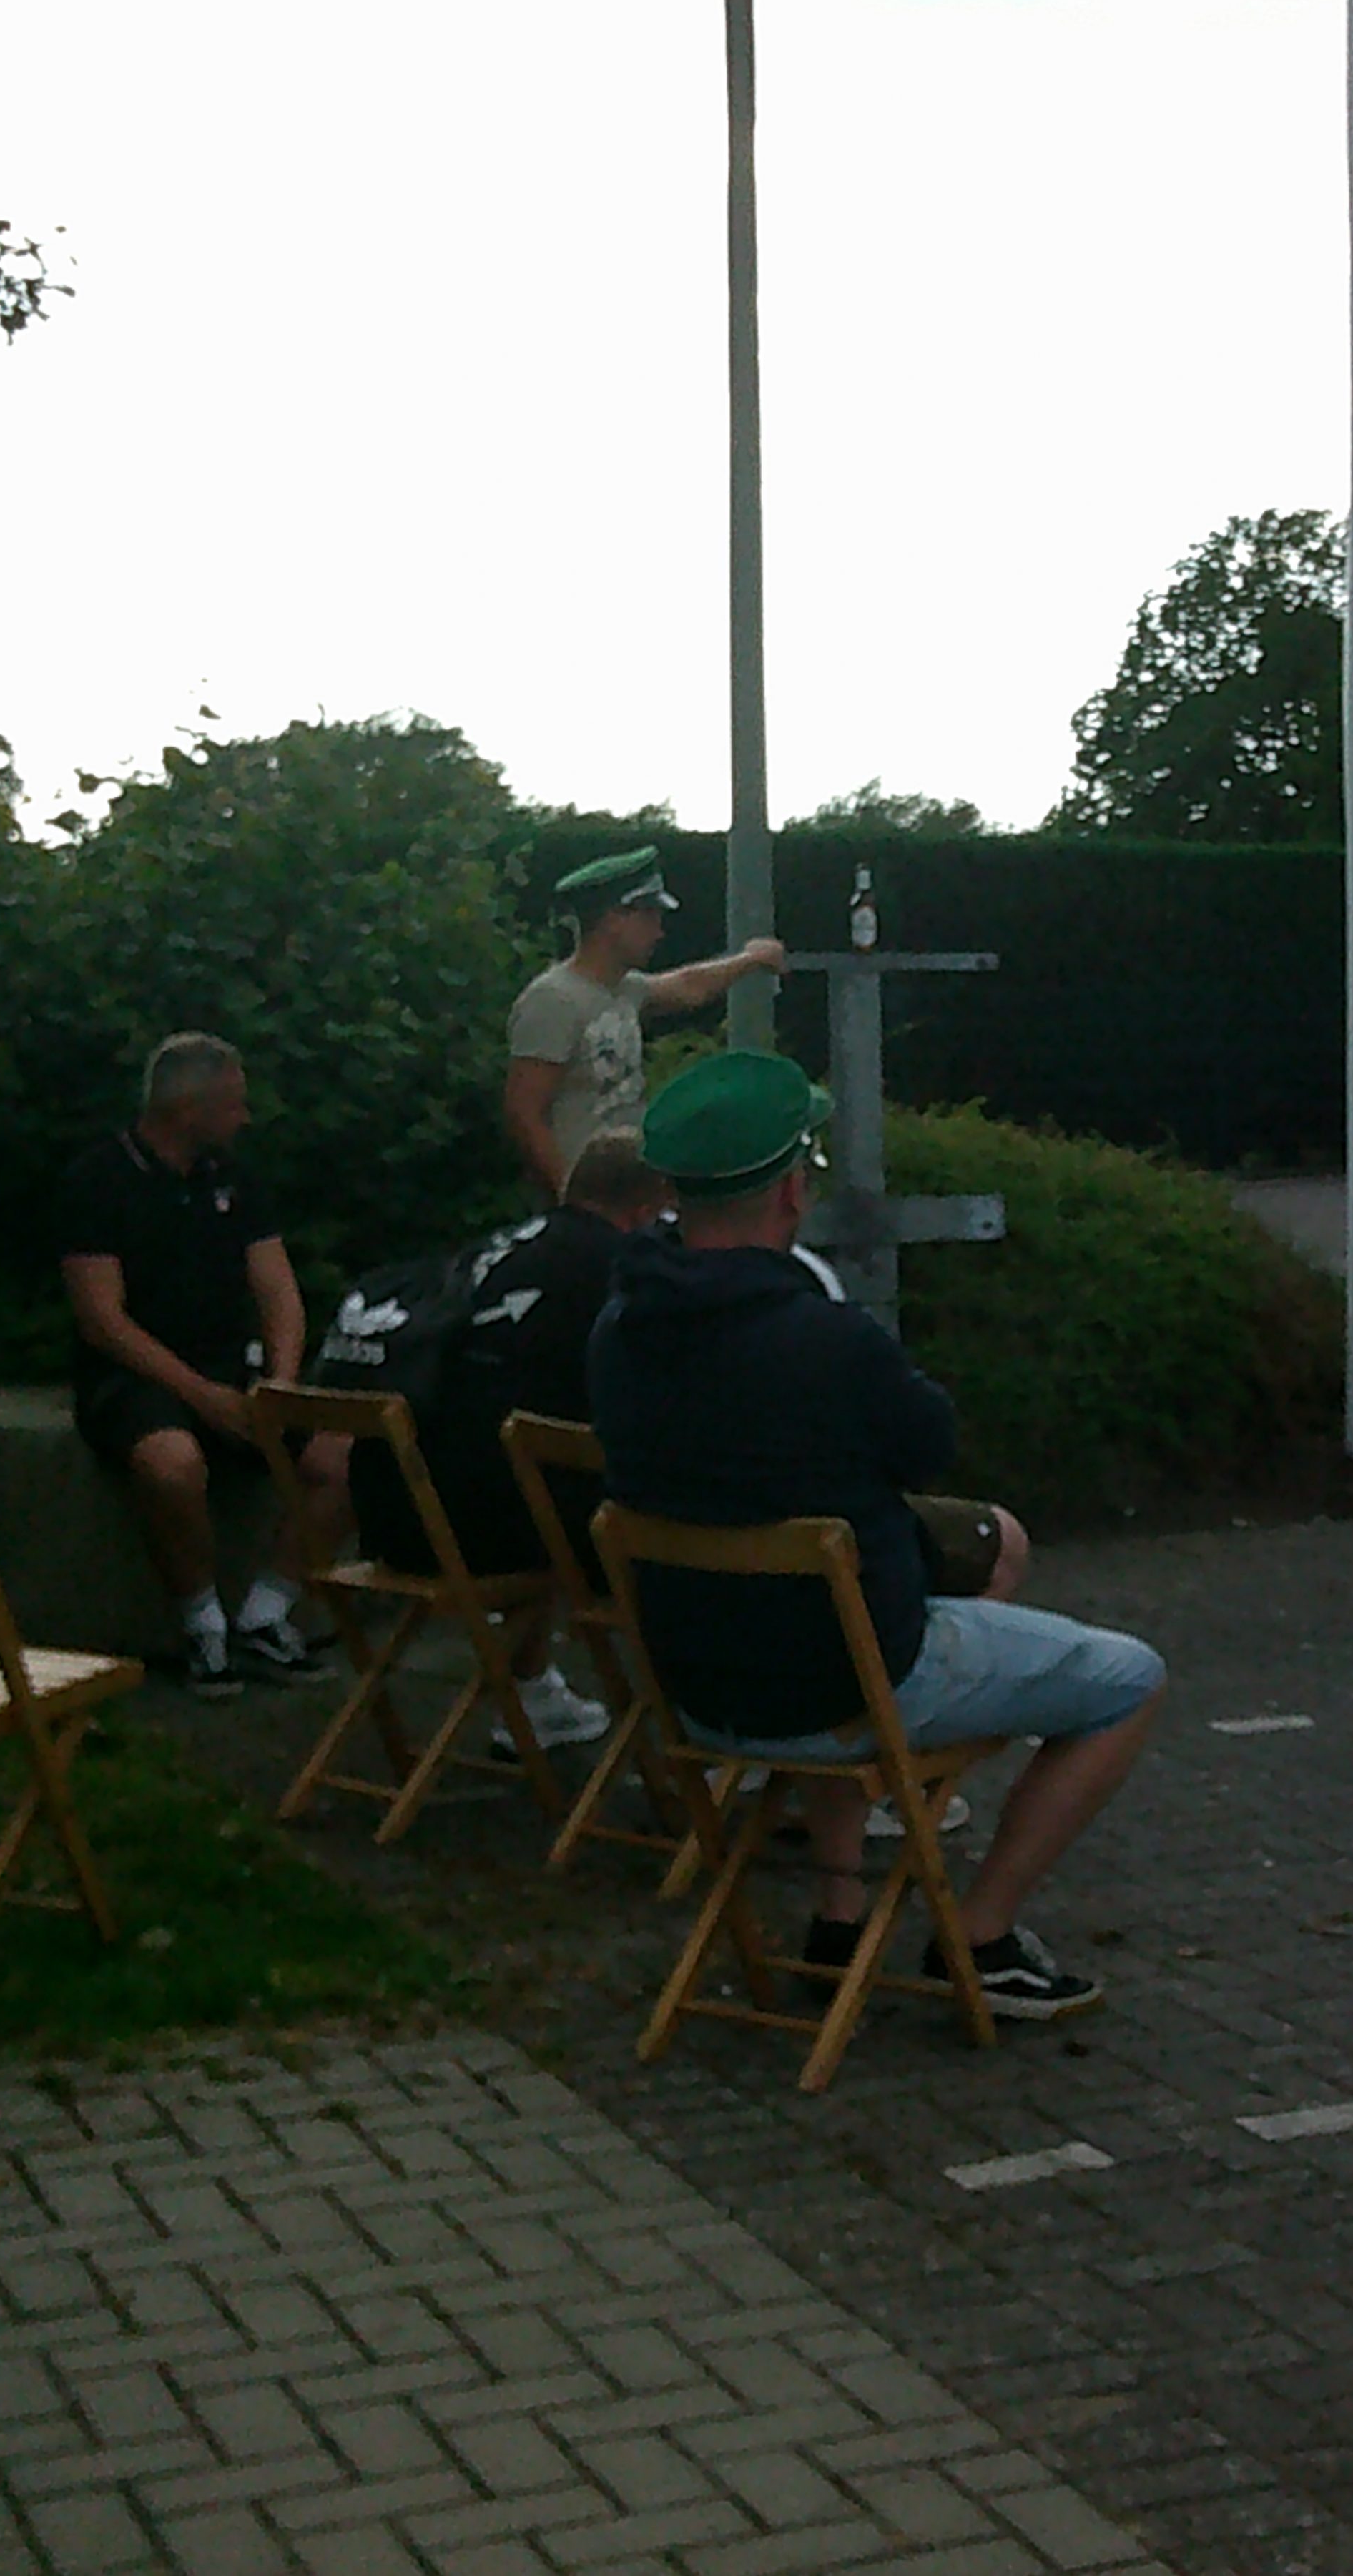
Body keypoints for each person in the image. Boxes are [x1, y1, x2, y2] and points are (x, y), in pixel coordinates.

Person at [589, 1051, 1162, 2017]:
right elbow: (928, 1443)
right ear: (791, 1190)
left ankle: (841, 1908)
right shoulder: (825, 1337)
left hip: (698, 1695)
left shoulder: (617, 1329)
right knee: (1128, 1679)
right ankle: (979, 1937)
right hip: (844, 1685)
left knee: (835, 1605)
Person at [315, 1127, 684, 1754]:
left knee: (528, 1460)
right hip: (486, 1533)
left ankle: (534, 1692)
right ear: (648, 1207)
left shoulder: (499, 1248)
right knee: (661, 1498)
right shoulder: (621, 1272)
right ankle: (710, 1719)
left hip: (398, 1514)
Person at [56, 1033, 337, 1694]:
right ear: (189, 1109)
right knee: (172, 1465)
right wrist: (202, 1395)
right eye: (234, 1104)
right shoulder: (98, 1180)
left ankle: (266, 1614)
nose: (246, 1118)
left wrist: (281, 1383)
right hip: (135, 1376)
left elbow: (278, 1289)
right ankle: (202, 1625)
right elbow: (102, 1320)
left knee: (345, 1455)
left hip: (231, 1365)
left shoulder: (234, 1178)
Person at [505, 848, 789, 1199]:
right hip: (589, 1206)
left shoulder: (626, 989)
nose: (659, 932)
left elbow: (689, 986)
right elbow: (524, 1113)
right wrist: (571, 1197)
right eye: (650, 916)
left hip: (627, 1198)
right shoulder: (553, 1000)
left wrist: (752, 959)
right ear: (614, 919)